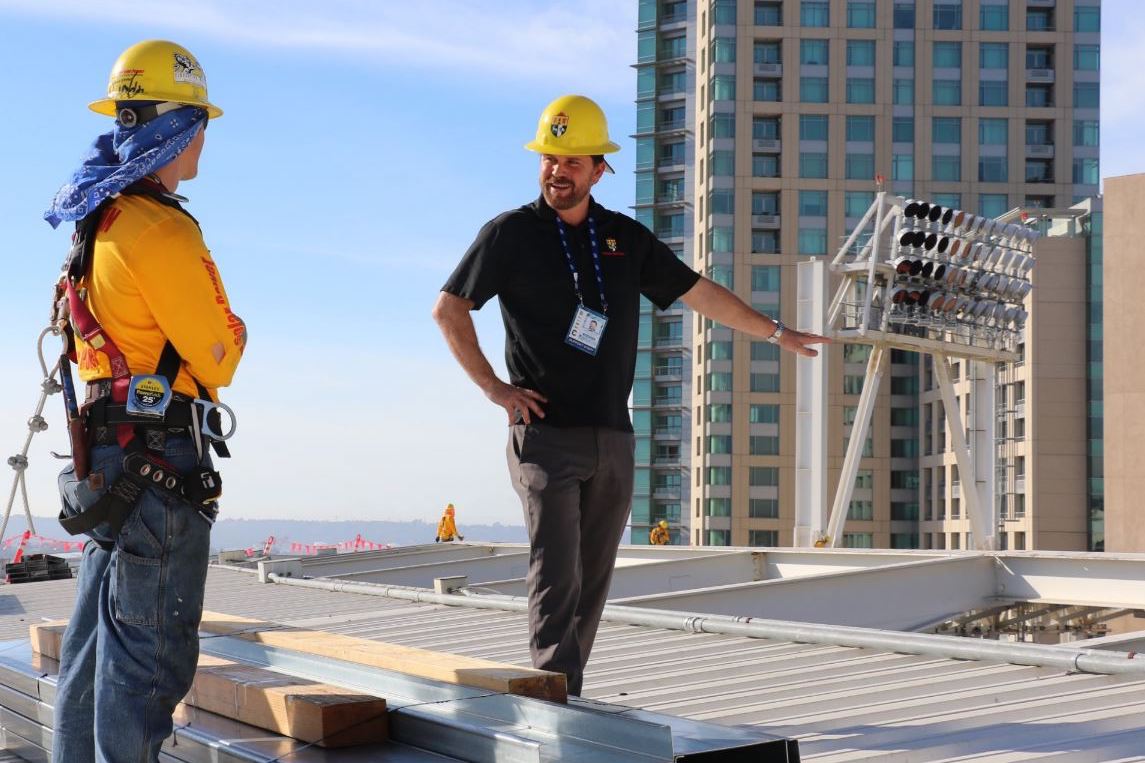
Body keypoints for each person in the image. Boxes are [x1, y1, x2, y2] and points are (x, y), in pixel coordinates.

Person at [433, 94, 828, 696]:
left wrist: (777, 332)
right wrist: (496, 388)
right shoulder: (509, 234)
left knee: (593, 579)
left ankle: (568, 689)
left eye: (571, 162)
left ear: (598, 170)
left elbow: (698, 293)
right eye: (549, 159)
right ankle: (550, 700)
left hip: (613, 438)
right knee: (556, 572)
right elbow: (450, 309)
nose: (556, 171)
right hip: (543, 437)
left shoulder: (622, 238)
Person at [45, 40, 244, 762]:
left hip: (113, 459)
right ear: (178, 127)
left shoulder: (99, 222)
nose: (203, 140)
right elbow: (221, 352)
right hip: (160, 462)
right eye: (200, 123)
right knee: (146, 660)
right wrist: (235, 331)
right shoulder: (161, 228)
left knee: (96, 651)